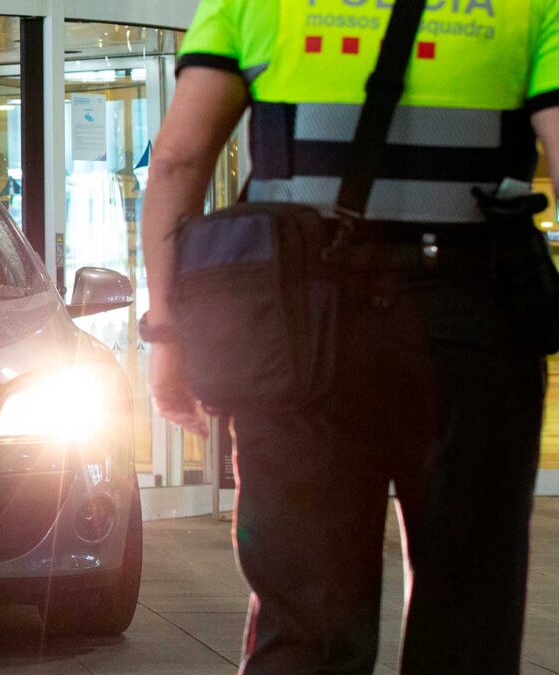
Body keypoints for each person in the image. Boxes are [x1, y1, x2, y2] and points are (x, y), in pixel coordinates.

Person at [140, 4, 558, 673]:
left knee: (305, 622)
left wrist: (167, 335)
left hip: (300, 331)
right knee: (470, 615)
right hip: (474, 327)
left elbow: (177, 161)